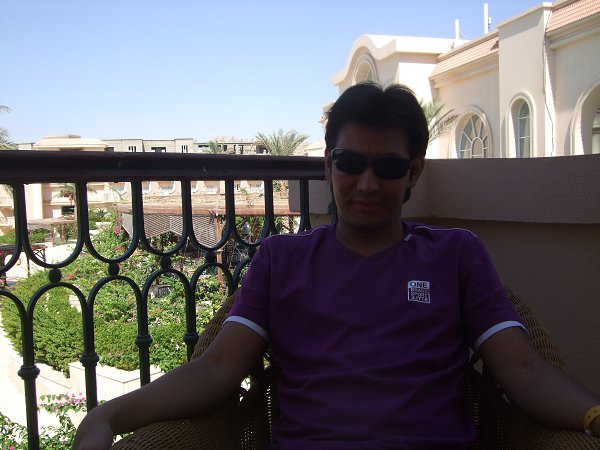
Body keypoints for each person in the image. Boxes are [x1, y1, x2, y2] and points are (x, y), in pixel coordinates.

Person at [73, 83, 600, 449]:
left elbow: (524, 371)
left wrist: (593, 415)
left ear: (413, 172)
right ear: (328, 166)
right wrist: (109, 415)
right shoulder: (281, 259)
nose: (367, 184)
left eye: (388, 167)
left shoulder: (456, 255)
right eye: (350, 163)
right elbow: (216, 370)